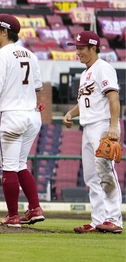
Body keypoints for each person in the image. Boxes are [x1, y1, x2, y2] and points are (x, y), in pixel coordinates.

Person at [0, 14, 45, 228]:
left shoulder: (0, 55)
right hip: (32, 116)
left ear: (5, 31)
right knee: (20, 165)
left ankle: (13, 215)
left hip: (10, 115)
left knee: (8, 167)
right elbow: (36, 88)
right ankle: (34, 208)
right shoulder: (31, 55)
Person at [63, 31, 123, 234]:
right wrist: (71, 113)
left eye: (81, 48)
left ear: (93, 48)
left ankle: (114, 219)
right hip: (88, 126)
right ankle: (98, 220)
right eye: (76, 48)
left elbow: (113, 98)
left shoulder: (103, 68)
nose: (77, 52)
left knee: (105, 171)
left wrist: (113, 126)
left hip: (102, 125)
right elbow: (85, 101)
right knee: (91, 177)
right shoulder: (85, 73)